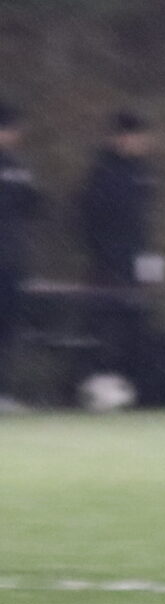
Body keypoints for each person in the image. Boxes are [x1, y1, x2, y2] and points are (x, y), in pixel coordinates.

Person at [74, 110, 162, 384]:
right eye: (138, 137)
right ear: (122, 138)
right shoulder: (103, 173)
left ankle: (133, 383)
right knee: (104, 326)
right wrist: (106, 259)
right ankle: (99, 382)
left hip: (140, 260)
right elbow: (91, 221)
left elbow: (144, 226)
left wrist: (150, 269)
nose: (143, 142)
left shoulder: (143, 172)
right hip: (109, 264)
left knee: (139, 325)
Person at [0, 101, 42, 413]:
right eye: (9, 129)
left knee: (9, 328)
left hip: (12, 260)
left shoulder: (18, 166)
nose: (14, 136)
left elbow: (33, 205)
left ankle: (3, 392)